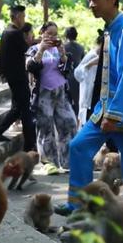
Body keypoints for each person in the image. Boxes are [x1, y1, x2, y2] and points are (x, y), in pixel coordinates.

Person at [56, 0, 123, 215]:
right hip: (105, 108)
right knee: (78, 147)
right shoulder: (110, 30)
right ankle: (78, 205)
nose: (91, 4)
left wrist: (114, 113)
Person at [26, 22, 78, 173]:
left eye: (55, 34)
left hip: (61, 92)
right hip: (43, 93)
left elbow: (68, 69)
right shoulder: (34, 49)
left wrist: (63, 55)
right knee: (45, 127)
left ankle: (68, 161)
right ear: (42, 33)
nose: (52, 37)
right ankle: (49, 163)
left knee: (69, 123)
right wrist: (41, 50)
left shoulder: (59, 49)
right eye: (49, 33)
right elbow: (30, 66)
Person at [0, 6, 36, 150]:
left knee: (17, 108)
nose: (24, 20)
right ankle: (29, 145)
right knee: (25, 109)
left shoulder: (8, 31)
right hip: (17, 76)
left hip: (14, 75)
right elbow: (26, 48)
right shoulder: (14, 33)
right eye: (22, 17)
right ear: (15, 17)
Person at [74, 35, 102, 127]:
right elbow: (78, 73)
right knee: (87, 120)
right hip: (89, 93)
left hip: (98, 92)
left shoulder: (104, 56)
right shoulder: (92, 55)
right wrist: (89, 64)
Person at [64, 26, 85, 116]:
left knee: (66, 100)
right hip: (78, 77)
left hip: (66, 76)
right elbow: (83, 60)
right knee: (77, 100)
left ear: (66, 35)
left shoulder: (64, 47)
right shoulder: (81, 47)